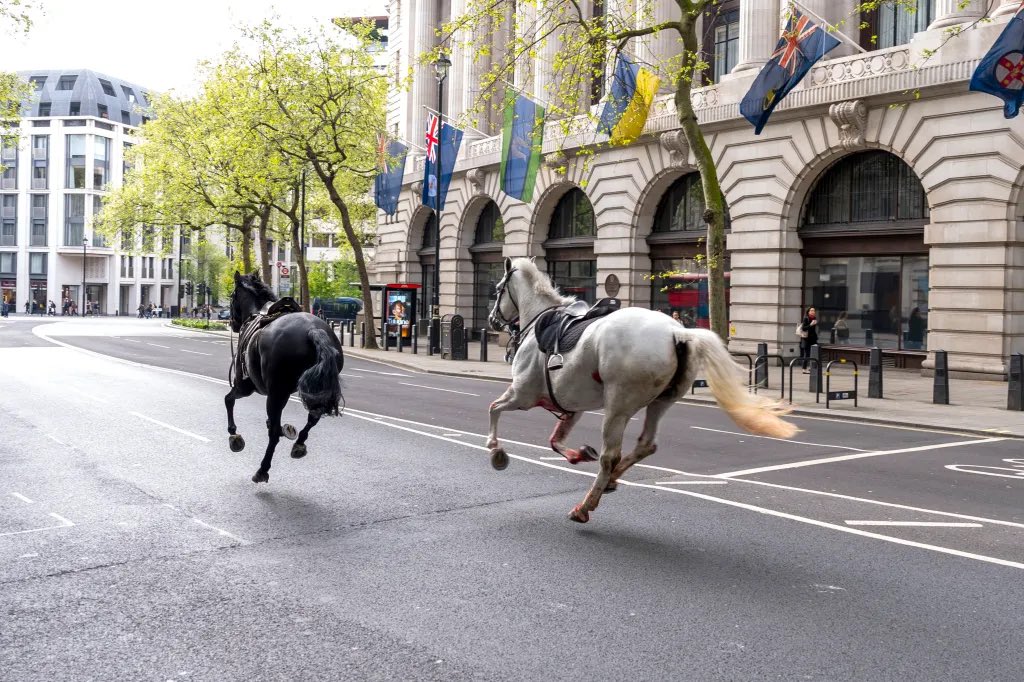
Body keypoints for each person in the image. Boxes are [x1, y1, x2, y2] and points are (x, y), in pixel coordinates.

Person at [799, 306, 818, 373]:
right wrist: (810, 324)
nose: (813, 312)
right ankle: (804, 369)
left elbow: (813, 330)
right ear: (808, 312)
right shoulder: (806, 318)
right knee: (807, 354)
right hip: (807, 339)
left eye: (814, 310)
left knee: (815, 352)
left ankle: (812, 367)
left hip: (813, 338)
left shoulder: (814, 318)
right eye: (812, 310)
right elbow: (804, 328)